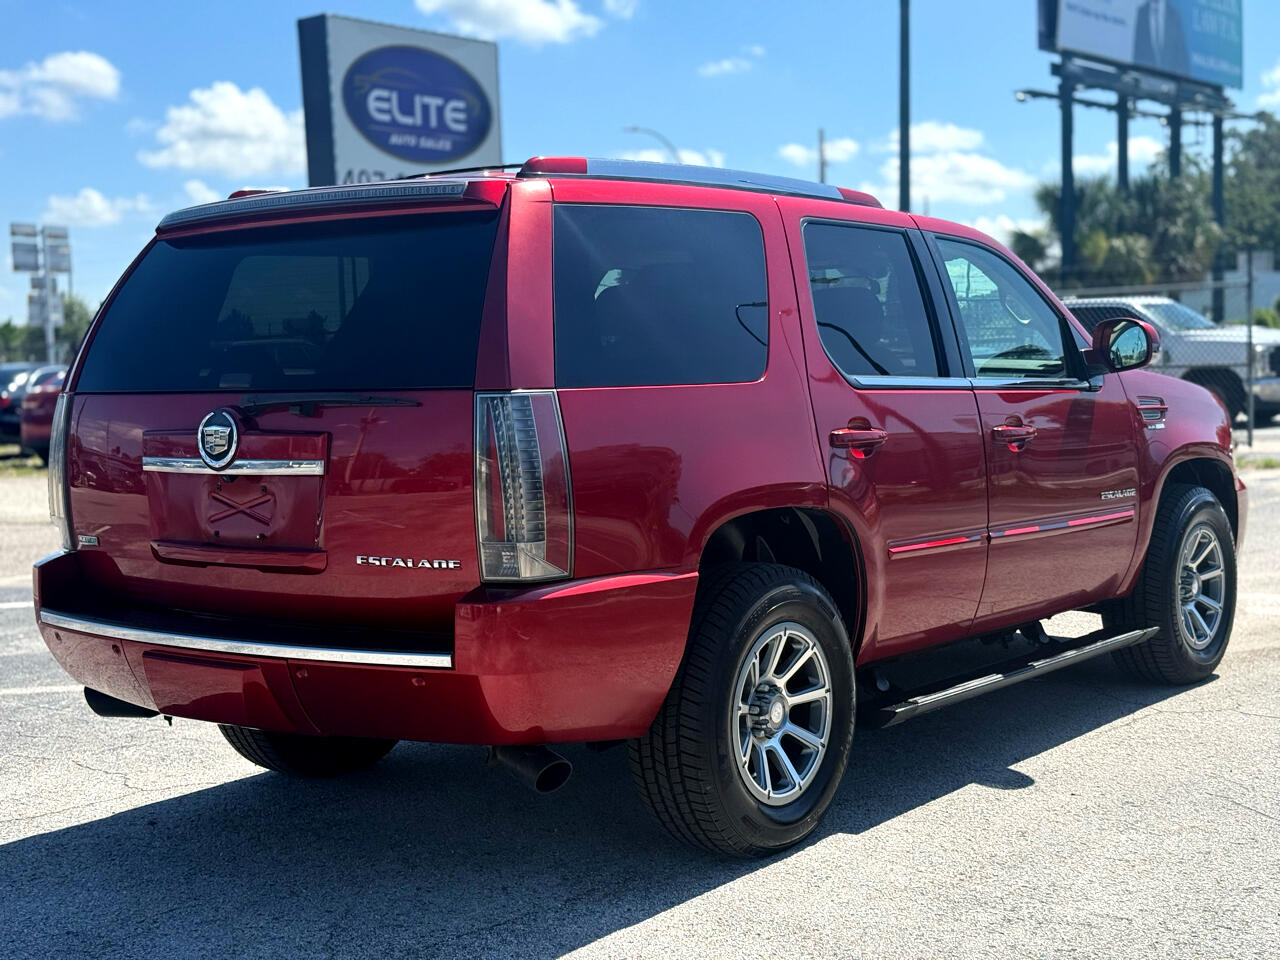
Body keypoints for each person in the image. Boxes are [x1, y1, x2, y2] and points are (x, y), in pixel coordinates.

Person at [1133, 0, 1190, 77]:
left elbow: (1182, 57)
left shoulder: (1174, 15)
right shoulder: (1141, 12)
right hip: (1146, 78)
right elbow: (1138, 53)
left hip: (1170, 81)